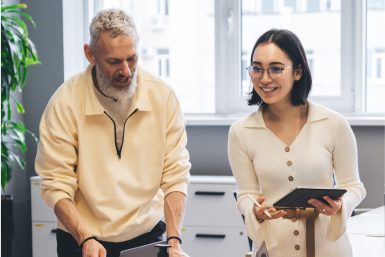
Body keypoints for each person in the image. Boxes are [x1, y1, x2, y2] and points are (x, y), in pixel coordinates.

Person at [36, 9, 190, 257]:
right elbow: (56, 183)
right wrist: (85, 239)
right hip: (81, 236)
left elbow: (175, 174)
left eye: (132, 58)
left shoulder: (163, 97)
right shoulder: (64, 103)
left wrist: (174, 241)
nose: (126, 71)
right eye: (114, 61)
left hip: (146, 234)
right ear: (90, 54)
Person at [228, 29, 366, 257]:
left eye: (275, 68)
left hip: (329, 249)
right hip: (274, 249)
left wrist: (341, 206)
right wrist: (254, 210)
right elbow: (246, 194)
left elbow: (354, 187)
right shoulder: (241, 131)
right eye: (257, 68)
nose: (264, 78)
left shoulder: (334, 123)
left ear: (298, 72)